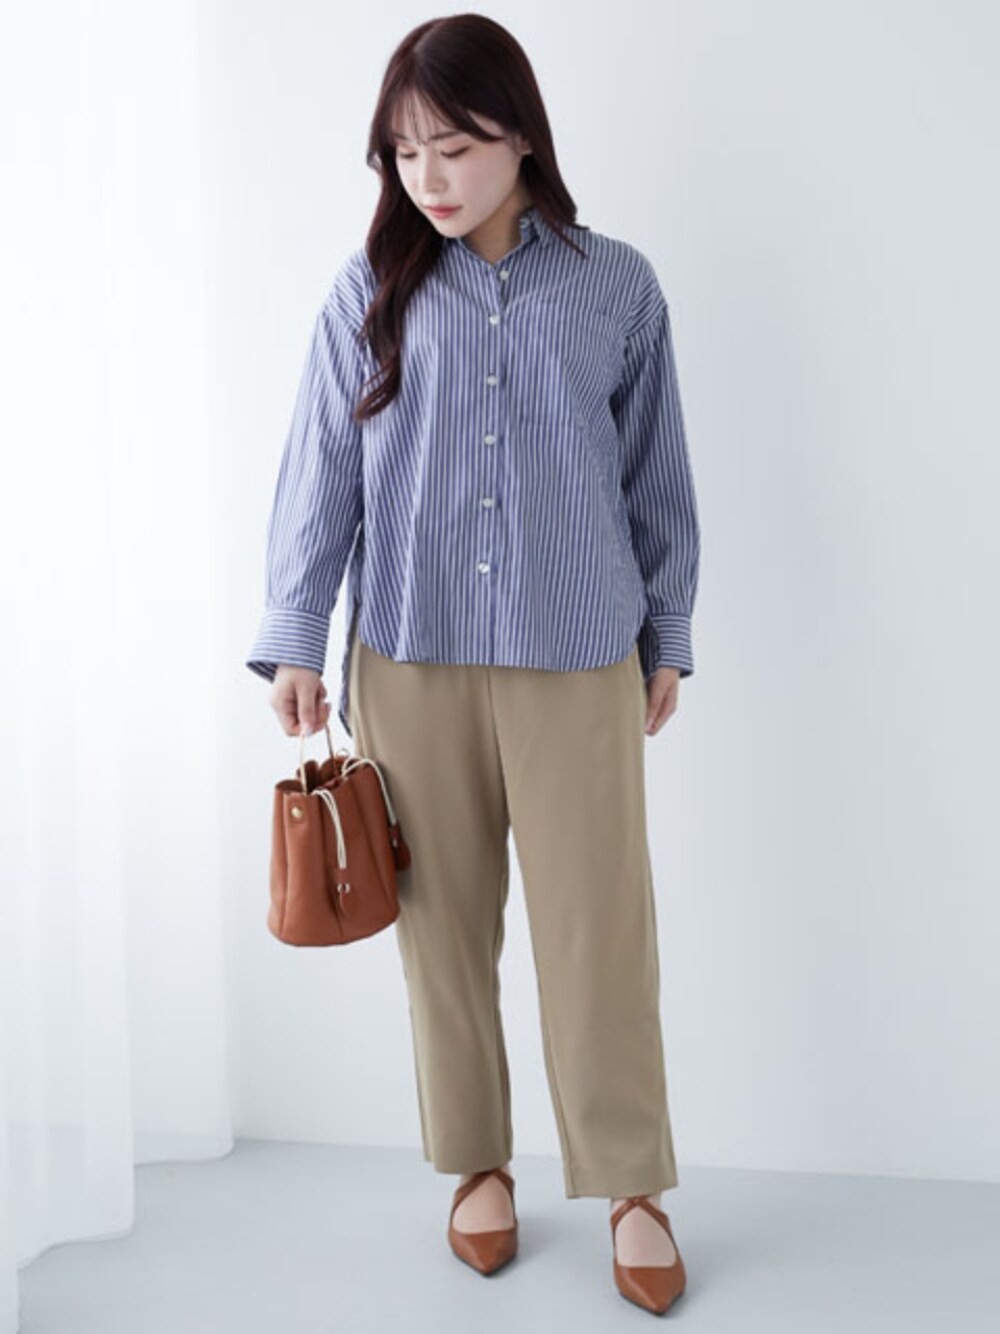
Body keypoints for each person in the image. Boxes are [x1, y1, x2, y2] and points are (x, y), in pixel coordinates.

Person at [246, 13, 699, 1317]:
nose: (428, 177)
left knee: (599, 931)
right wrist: (295, 635)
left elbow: (656, 476)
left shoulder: (616, 286)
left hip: (578, 650)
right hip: (411, 651)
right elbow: (320, 475)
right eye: (405, 153)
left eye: (453, 146)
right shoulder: (369, 291)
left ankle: (630, 1182)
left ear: (521, 139)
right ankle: (478, 1163)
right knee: (443, 934)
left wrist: (668, 633)